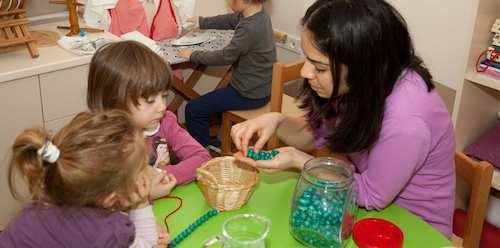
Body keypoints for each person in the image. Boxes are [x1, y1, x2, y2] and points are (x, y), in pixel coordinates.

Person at [231, 0, 455, 238]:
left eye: (319, 67)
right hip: (365, 205)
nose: (305, 72)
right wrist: (276, 120)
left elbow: (371, 195)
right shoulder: (362, 84)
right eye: (307, 59)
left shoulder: (406, 121)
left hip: (411, 228)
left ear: (361, 66)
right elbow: (313, 134)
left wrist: (300, 161)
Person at [0, 110, 169, 247]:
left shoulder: (43, 201)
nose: (147, 172)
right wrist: (141, 204)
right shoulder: (110, 233)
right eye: (142, 169)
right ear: (110, 197)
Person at [87, 41, 211, 191]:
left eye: (164, 96)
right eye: (150, 100)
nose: (162, 107)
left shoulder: (165, 121)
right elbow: (107, 198)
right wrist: (147, 193)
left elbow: (202, 158)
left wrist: (161, 175)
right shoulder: (101, 142)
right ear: (114, 101)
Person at [178, 0, 276, 149]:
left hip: (249, 94)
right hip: (259, 87)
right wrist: (202, 21)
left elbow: (225, 57)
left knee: (194, 109)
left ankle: (202, 152)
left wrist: (193, 55)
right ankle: (219, 140)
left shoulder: (249, 28)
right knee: (214, 103)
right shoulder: (259, 15)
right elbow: (231, 19)